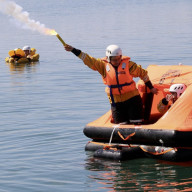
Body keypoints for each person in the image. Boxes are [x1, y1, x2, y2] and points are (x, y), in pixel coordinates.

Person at [64, 44, 158, 124]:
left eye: (118, 59)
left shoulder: (129, 65)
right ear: (108, 58)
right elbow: (87, 59)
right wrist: (73, 50)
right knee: (121, 125)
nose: (117, 62)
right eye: (114, 59)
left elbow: (143, 74)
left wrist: (151, 87)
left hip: (132, 99)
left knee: (136, 122)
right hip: (116, 101)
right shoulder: (102, 66)